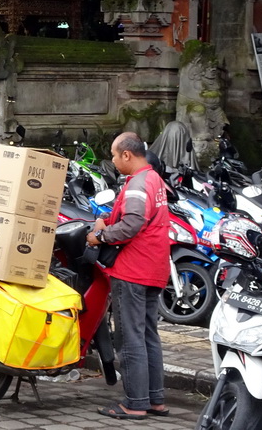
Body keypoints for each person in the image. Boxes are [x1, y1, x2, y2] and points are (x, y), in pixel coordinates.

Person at [87, 131, 170, 419]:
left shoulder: (137, 183)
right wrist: (108, 219)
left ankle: (135, 403)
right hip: (155, 267)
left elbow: (133, 222)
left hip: (134, 270)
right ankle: (155, 399)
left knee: (130, 337)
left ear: (127, 155)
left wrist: (101, 235)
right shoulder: (154, 179)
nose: (111, 160)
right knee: (148, 335)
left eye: (113, 155)